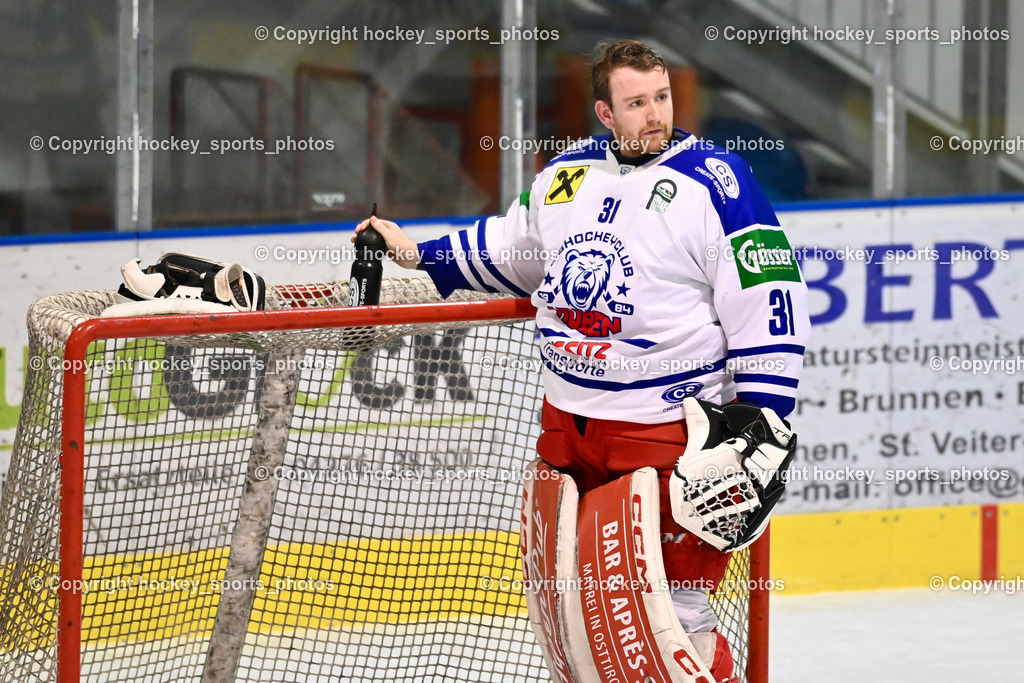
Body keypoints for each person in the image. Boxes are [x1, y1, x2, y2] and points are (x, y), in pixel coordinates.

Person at [354, 39, 809, 682]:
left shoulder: (719, 182)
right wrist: (418, 254)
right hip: (570, 426)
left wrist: (765, 415)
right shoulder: (566, 177)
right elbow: (511, 250)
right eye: (636, 103)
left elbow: (768, 296)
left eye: (661, 98)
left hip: (666, 431)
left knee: (678, 619)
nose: (654, 114)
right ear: (604, 112)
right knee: (584, 623)